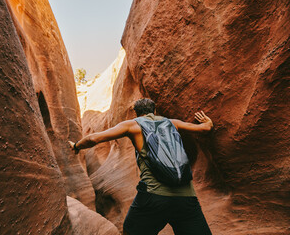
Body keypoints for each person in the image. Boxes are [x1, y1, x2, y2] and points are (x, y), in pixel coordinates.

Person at [68, 98, 213, 235]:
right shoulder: (172, 123)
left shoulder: (132, 125)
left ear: (135, 112)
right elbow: (205, 129)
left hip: (153, 196)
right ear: (154, 111)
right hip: (186, 198)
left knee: (130, 231)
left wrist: (76, 146)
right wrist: (207, 122)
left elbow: (94, 138)